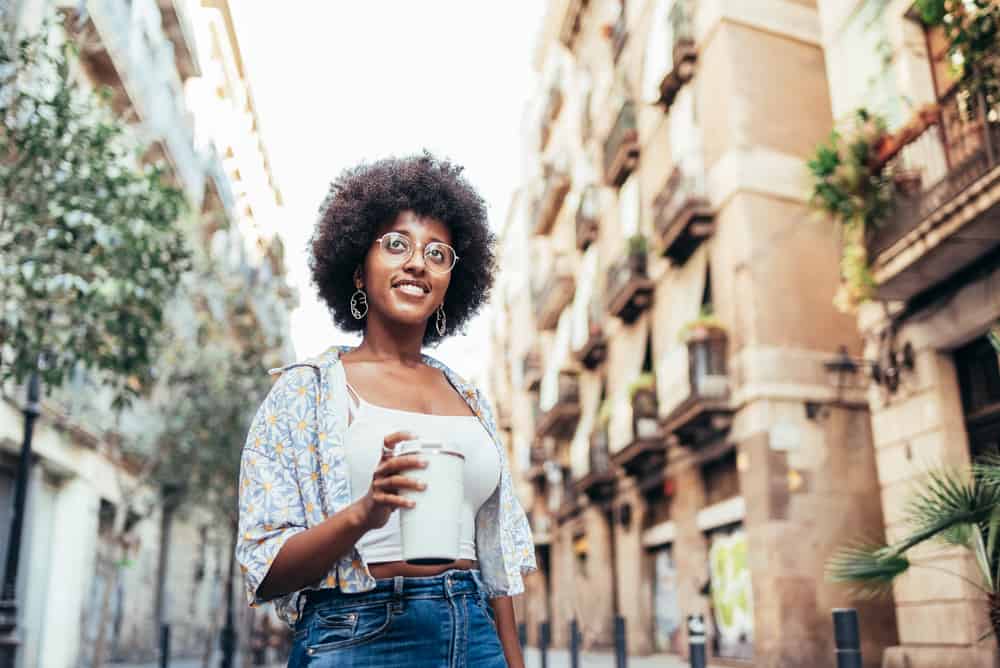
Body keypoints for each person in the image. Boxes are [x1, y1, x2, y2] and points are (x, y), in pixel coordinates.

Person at [236, 153, 536, 667]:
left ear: (448, 285)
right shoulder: (303, 394)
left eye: (438, 254)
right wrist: (365, 512)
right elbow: (265, 569)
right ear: (358, 271)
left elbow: (495, 561)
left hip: (474, 632)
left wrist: (512, 660)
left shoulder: (470, 398)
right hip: (355, 635)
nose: (418, 262)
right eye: (396, 245)